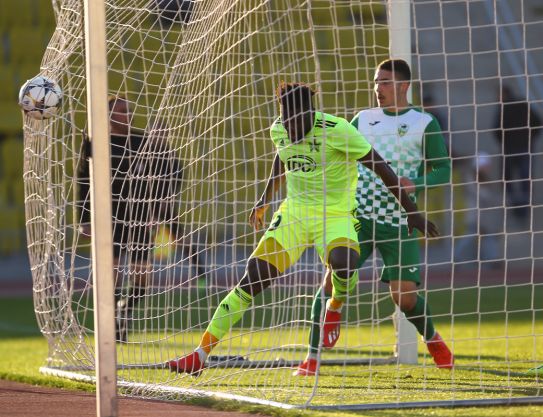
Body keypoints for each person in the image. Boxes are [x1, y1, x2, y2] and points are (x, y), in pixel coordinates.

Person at [168, 81, 438, 376]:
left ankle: (334, 306)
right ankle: (200, 355)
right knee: (253, 278)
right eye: (285, 121)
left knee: (344, 263)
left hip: (335, 214)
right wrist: (264, 198)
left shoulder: (338, 130)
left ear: (310, 113)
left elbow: (382, 167)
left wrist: (412, 213)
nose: (289, 128)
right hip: (295, 215)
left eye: (295, 122)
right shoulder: (280, 129)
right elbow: (282, 158)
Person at [294, 59, 453, 377]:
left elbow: (443, 169)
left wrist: (417, 183)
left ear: (404, 86)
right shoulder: (362, 120)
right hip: (359, 217)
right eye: (376, 81)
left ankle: (433, 338)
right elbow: (341, 154)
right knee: (331, 279)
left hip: (399, 221)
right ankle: (312, 358)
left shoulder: (425, 122)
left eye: (385, 82)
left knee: (404, 298)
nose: (378, 88)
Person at [78, 96, 205, 342]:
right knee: (111, 275)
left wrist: (157, 212)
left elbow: (160, 176)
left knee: (142, 278)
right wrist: (84, 219)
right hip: (109, 217)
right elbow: (83, 181)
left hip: (139, 217)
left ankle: (125, 311)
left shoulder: (142, 141)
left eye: (130, 110)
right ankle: (113, 322)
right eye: (123, 111)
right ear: (108, 116)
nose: (129, 115)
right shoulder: (95, 142)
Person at [493, 85, 541, 219]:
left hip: (510, 149)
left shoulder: (503, 108)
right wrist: (530, 137)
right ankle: (524, 208)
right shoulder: (523, 104)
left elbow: (496, 130)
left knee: (507, 178)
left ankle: (516, 205)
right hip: (525, 147)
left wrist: (504, 141)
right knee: (525, 178)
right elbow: (538, 122)